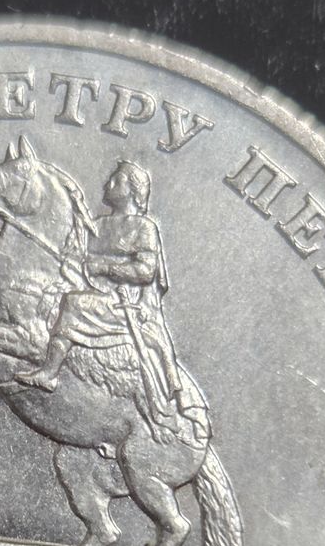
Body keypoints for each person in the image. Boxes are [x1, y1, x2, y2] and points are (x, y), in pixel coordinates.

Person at [16, 161, 202, 443]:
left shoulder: (144, 227)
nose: (107, 185)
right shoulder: (98, 225)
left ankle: (49, 372)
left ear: (133, 191)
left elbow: (145, 271)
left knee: (74, 303)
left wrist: (103, 266)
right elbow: (79, 261)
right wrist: (72, 262)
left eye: (116, 181)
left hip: (126, 303)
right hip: (95, 290)